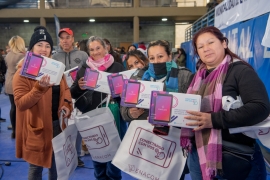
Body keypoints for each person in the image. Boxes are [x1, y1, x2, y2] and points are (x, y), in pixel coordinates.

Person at [181, 26, 270, 180]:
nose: (206, 49)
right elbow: (190, 114)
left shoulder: (240, 71)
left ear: (224, 43)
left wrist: (214, 120)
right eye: (200, 47)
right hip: (198, 154)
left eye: (210, 42)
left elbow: (260, 107)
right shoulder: (195, 79)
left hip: (235, 156)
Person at [13, 26, 73, 180]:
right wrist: (39, 88)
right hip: (37, 127)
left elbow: (65, 91)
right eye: (39, 45)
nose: (43, 49)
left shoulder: (56, 69)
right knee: (36, 167)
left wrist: (66, 106)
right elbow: (21, 103)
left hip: (57, 124)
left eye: (47, 46)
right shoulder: (22, 73)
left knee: (56, 165)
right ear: (31, 48)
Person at [70, 36, 123, 180]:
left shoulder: (117, 67)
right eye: (91, 49)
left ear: (106, 48)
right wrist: (79, 87)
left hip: (112, 115)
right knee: (98, 156)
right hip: (92, 117)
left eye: (98, 48)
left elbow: (125, 93)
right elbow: (73, 93)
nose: (95, 52)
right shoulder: (84, 69)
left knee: (113, 157)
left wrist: (117, 95)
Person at [52, 27, 88, 167]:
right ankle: (63, 155)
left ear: (73, 39)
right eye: (62, 38)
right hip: (62, 96)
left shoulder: (83, 55)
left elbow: (89, 73)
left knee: (78, 128)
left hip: (79, 95)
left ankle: (77, 155)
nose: (65, 40)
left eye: (67, 37)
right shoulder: (55, 57)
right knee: (62, 127)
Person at [4, 35, 26, 138]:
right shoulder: (22, 56)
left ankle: (14, 130)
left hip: (9, 82)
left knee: (13, 107)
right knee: (20, 107)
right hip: (18, 83)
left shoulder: (8, 55)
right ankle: (20, 130)